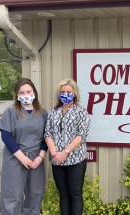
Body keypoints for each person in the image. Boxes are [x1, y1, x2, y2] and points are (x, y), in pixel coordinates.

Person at [0, 78, 48, 215]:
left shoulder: (42, 113)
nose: (26, 95)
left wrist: (40, 157)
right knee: (12, 197)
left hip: (36, 159)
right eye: (22, 92)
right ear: (17, 95)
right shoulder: (11, 112)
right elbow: (6, 136)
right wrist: (22, 158)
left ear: (34, 92)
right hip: (15, 158)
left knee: (35, 195)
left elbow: (46, 138)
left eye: (28, 91)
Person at [45, 79, 90, 215]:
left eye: (69, 92)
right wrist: (54, 152)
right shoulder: (54, 112)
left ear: (74, 93)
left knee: (75, 193)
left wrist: (65, 152)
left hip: (76, 159)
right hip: (57, 160)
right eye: (63, 92)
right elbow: (48, 133)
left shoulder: (81, 112)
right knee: (63, 194)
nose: (65, 94)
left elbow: (81, 136)